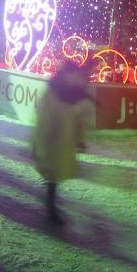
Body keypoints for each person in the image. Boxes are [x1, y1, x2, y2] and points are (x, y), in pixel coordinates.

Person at [32, 62, 93, 224]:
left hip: (64, 140)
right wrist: (42, 141)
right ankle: (50, 209)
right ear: (66, 74)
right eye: (71, 75)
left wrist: (80, 138)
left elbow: (79, 118)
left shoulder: (72, 92)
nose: (74, 78)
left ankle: (51, 205)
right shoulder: (54, 91)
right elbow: (45, 117)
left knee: (55, 174)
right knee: (53, 174)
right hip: (52, 139)